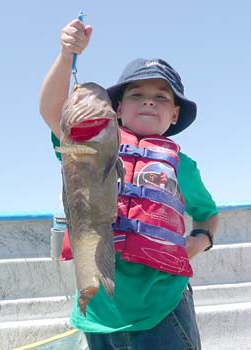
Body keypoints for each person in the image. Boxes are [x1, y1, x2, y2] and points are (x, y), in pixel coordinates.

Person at [40, 19, 219, 350]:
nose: (149, 101)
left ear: (176, 114)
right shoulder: (92, 141)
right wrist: (67, 56)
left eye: (161, 97)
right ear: (117, 109)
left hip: (164, 310)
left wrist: (198, 242)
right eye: (137, 94)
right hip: (96, 313)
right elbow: (53, 111)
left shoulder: (184, 166)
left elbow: (207, 214)